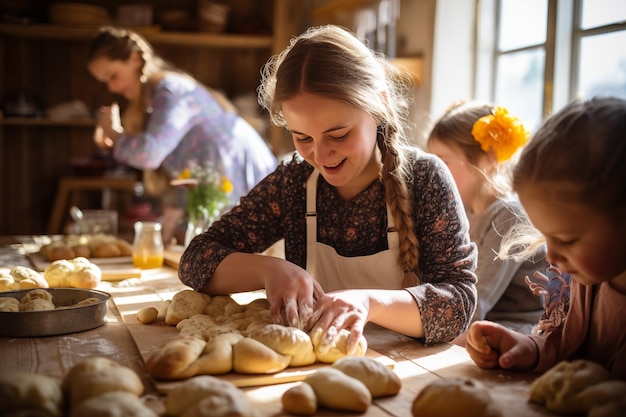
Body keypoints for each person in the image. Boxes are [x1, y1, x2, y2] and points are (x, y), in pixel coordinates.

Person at [179, 25, 478, 353]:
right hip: (309, 369)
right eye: (302, 138)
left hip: (408, 374)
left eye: (338, 135)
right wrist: (268, 269)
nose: (320, 156)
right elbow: (196, 260)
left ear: (377, 108)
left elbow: (458, 305)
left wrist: (368, 303)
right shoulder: (294, 182)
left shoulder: (424, 179)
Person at [465, 96, 626, 380]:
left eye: (567, 240)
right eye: (546, 237)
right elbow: (567, 346)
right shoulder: (587, 280)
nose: (552, 256)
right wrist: (529, 348)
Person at [86, 26, 277, 243]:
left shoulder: (170, 90)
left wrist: (115, 134)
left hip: (243, 179)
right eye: (106, 81)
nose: (112, 88)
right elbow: (182, 167)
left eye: (113, 76)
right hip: (223, 184)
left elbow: (150, 153)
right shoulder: (156, 98)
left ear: (135, 60)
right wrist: (170, 221)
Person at [426, 102, 548, 345]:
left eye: (443, 161)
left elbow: (475, 303)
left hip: (518, 332)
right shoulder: (464, 212)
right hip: (475, 323)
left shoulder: (509, 214)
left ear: (488, 159)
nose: (434, 172)